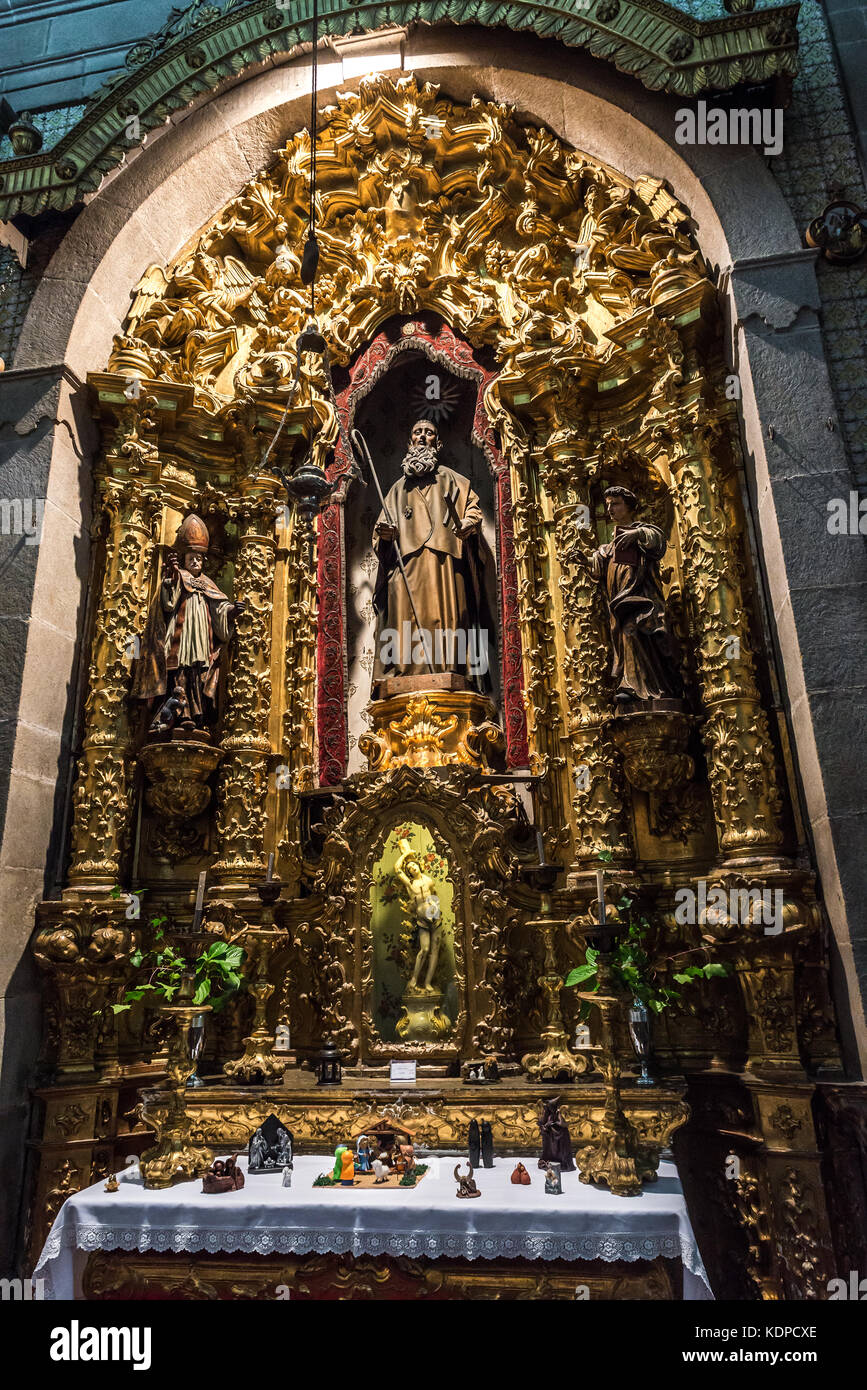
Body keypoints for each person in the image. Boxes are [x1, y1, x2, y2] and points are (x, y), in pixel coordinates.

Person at [371, 420, 492, 691]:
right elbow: (380, 534)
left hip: (444, 565)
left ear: (438, 444)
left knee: (447, 619)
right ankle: (404, 676)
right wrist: (385, 535)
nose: (423, 437)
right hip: (406, 569)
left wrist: (468, 524)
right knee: (404, 624)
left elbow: (473, 510)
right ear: (409, 442)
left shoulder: (454, 480)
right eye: (417, 432)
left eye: (429, 433)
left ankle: (450, 672)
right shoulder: (395, 491)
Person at [132, 513, 245, 734]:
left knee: (197, 673)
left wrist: (231, 611)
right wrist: (170, 580)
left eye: (198, 559)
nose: (194, 561)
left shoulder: (208, 584)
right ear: (184, 559)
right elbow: (167, 604)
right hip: (180, 636)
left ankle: (195, 714)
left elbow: (219, 607)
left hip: (201, 637)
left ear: (204, 562)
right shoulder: (178, 576)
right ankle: (177, 714)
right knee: (179, 670)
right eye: (191, 558)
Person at [576, 486, 682, 704]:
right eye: (607, 505)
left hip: (643, 600)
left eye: (615, 504)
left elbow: (657, 540)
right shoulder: (610, 545)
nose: (610, 509)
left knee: (634, 631)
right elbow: (599, 565)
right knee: (626, 635)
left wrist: (637, 534)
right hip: (620, 603)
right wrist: (585, 561)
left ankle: (649, 688)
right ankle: (636, 686)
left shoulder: (642, 531)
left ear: (630, 506)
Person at [394, 838, 443, 993]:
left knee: (435, 950)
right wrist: (406, 854)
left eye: (414, 865)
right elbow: (397, 869)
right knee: (425, 949)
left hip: (435, 919)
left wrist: (433, 912)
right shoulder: (410, 884)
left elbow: (435, 896)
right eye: (409, 868)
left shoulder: (429, 881)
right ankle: (414, 979)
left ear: (419, 865)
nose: (412, 868)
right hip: (422, 921)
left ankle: (428, 982)